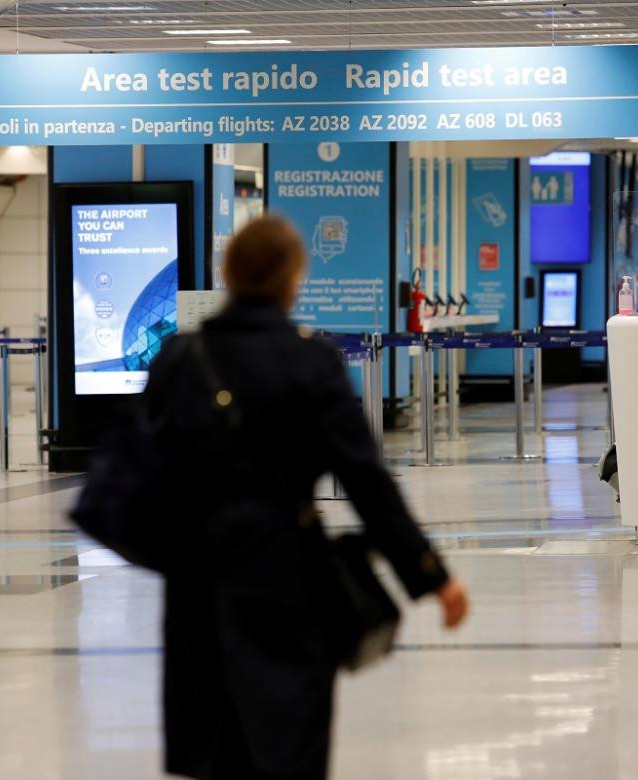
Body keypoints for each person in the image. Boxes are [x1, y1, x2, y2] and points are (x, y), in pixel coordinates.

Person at [142, 215, 468, 780]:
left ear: (227, 274)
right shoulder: (308, 360)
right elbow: (366, 480)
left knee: (215, 748)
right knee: (289, 742)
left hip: (198, 583)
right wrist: (430, 575)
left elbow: (143, 472)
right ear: (294, 279)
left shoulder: (177, 361)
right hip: (285, 578)